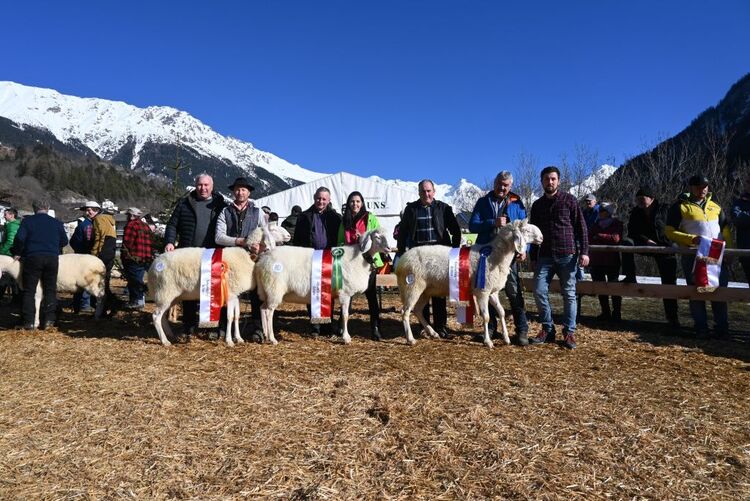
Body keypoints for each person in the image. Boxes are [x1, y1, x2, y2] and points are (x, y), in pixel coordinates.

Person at [529, 166, 589, 349]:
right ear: (542, 182)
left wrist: (585, 252)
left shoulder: (569, 201)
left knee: (569, 294)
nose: (550, 182)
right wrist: (533, 257)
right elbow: (533, 234)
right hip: (545, 256)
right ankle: (548, 329)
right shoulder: (537, 205)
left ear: (559, 181)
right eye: (547, 179)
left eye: (553, 179)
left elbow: (581, 227)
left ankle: (569, 332)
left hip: (567, 255)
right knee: (539, 290)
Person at [666, 174, 732, 338]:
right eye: (698, 186)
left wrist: (730, 250)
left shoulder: (716, 207)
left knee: (719, 291)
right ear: (690, 187)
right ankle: (701, 327)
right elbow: (669, 231)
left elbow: (725, 230)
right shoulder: (679, 207)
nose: (702, 189)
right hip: (693, 254)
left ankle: (722, 328)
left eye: (705, 186)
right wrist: (691, 239)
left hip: (716, 253)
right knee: (697, 291)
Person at [468, 171, 529, 345]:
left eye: (506, 185)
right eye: (499, 184)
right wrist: (492, 222)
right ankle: (492, 328)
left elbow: (524, 231)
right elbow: (473, 225)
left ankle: (522, 330)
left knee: (514, 291)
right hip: (485, 256)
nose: (502, 187)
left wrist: (524, 249)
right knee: (486, 290)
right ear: (494, 183)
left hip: (508, 258)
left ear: (510, 186)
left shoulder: (517, 204)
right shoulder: (482, 202)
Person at [396, 179, 461, 339]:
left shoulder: (444, 208)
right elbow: (403, 232)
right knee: (420, 290)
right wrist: (401, 251)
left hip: (439, 256)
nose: (427, 194)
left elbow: (455, 229)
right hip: (419, 257)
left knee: (439, 292)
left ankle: (441, 326)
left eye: (429, 191)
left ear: (434, 191)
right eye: (423, 191)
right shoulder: (411, 209)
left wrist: (454, 250)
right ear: (419, 193)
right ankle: (423, 326)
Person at [165, 173, 228, 337]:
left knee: (212, 290)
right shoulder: (184, 204)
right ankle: (188, 326)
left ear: (212, 187)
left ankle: (210, 326)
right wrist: (170, 242)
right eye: (200, 185)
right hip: (189, 254)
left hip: (213, 254)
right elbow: (172, 225)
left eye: (206, 185)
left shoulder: (220, 205)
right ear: (195, 185)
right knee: (189, 289)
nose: (203, 188)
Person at [215, 177, 265, 342]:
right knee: (224, 291)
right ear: (233, 191)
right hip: (229, 259)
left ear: (249, 192)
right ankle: (222, 327)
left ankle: (258, 327)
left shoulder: (258, 213)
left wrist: (260, 247)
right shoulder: (225, 211)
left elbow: (265, 234)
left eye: (243, 189)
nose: (240, 192)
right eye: (237, 189)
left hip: (251, 258)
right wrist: (239, 241)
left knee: (256, 293)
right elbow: (219, 237)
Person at [626, 187, 680, 329]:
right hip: (646, 244)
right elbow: (632, 231)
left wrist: (670, 242)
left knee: (669, 283)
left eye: (642, 199)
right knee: (626, 244)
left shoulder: (665, 209)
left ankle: (672, 318)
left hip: (665, 247)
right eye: (638, 200)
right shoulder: (636, 212)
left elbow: (673, 226)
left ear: (651, 198)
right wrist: (646, 240)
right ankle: (629, 276)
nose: (640, 202)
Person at [11, 199, 68, 329]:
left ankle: (29, 322)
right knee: (50, 289)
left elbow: (19, 238)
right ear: (48, 208)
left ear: (34, 209)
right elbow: (64, 241)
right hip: (52, 258)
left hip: (33, 257)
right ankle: (49, 321)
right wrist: (52, 246)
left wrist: (18, 252)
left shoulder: (27, 222)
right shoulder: (56, 223)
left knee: (29, 290)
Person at [293, 187, 342, 336]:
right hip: (309, 258)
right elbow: (297, 239)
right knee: (312, 291)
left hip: (329, 259)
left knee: (328, 292)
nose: (321, 201)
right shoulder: (304, 216)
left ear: (329, 200)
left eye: (324, 199)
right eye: (318, 198)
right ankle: (315, 326)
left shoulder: (335, 217)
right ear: (314, 198)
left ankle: (327, 325)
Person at [337, 191, 384, 341]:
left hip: (368, 263)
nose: (355, 204)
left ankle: (375, 327)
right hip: (349, 263)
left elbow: (379, 236)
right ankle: (342, 326)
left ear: (362, 203)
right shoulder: (345, 221)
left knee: (371, 296)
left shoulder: (370, 218)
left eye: (357, 201)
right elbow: (339, 242)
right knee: (346, 295)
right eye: (352, 201)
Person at [588, 203, 624, 322]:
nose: (600, 212)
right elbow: (589, 238)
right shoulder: (595, 224)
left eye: (603, 210)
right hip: (596, 260)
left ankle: (617, 313)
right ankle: (605, 313)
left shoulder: (617, 223)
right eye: (600, 210)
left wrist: (598, 236)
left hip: (612, 260)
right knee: (600, 288)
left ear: (608, 212)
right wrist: (605, 237)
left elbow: (616, 239)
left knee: (614, 288)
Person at [69, 201, 100, 313]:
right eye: (87, 210)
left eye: (90, 210)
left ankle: (78, 305)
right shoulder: (88, 225)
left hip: (80, 257)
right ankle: (85, 305)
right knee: (86, 281)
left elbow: (72, 242)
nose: (88, 212)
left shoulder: (84, 224)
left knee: (80, 282)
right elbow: (87, 242)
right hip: (87, 257)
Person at [121, 207, 154, 309]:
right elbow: (151, 241)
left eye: (127, 215)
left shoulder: (130, 226)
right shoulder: (145, 226)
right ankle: (140, 299)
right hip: (146, 257)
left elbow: (127, 244)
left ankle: (136, 301)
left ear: (131, 216)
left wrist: (124, 256)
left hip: (134, 258)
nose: (127, 217)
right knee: (138, 279)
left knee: (134, 280)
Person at [90, 202, 117, 314]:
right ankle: (107, 307)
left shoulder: (99, 219)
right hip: (110, 251)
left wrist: (94, 253)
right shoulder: (110, 220)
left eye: (91, 210)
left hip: (102, 252)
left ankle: (102, 307)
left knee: (97, 281)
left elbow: (99, 237)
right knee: (105, 281)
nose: (88, 213)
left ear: (98, 210)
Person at [731, 174, 750, 285]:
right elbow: (737, 219)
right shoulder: (739, 203)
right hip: (747, 254)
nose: (748, 184)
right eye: (748, 182)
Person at [0, 208, 21, 303]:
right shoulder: (14, 225)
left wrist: (2, 251)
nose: (4, 216)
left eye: (6, 214)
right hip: (13, 254)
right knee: (13, 277)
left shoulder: (12, 226)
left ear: (12, 215)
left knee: (5, 277)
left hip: (8, 254)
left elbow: (10, 241)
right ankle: (16, 299)